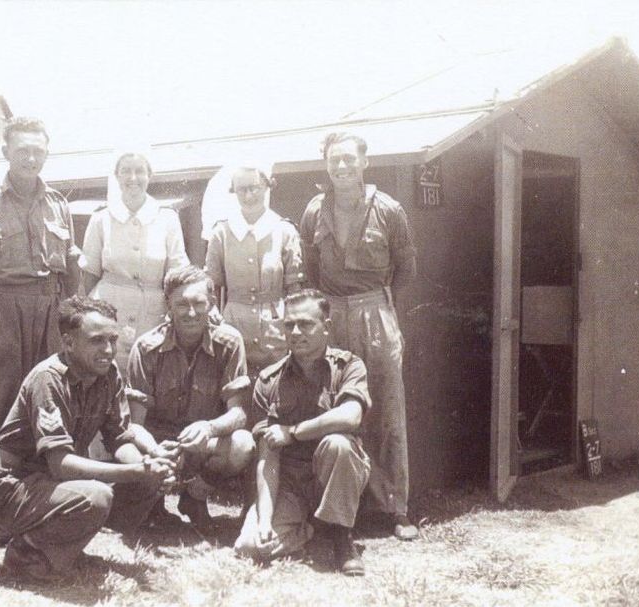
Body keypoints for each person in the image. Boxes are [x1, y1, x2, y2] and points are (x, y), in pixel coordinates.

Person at [0, 296, 177, 581]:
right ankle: (25, 551)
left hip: (52, 485)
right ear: (69, 342)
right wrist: (135, 471)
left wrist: (148, 469)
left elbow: (121, 439)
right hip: (13, 488)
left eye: (112, 339)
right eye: (96, 340)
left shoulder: (108, 373)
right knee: (96, 496)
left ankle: (61, 550)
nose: (108, 350)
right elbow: (61, 464)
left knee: (142, 482)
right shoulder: (48, 379)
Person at [0, 116, 80, 536]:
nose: (30, 158)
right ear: (6, 152)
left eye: (38, 150)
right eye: (22, 150)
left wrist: (71, 323)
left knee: (50, 407)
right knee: (3, 411)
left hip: (51, 310)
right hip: (4, 313)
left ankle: (45, 506)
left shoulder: (58, 204)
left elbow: (71, 268)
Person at [298, 132, 418, 541]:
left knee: (385, 410)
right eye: (335, 160)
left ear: (365, 162)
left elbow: (406, 269)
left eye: (349, 159)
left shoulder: (388, 209)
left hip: (374, 313)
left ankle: (395, 508)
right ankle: (340, 507)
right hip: (331, 313)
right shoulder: (315, 210)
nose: (342, 167)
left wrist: (383, 312)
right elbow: (311, 269)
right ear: (326, 164)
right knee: (333, 404)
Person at [234, 289, 371, 576]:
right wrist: (264, 520)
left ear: (326, 327)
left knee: (338, 444)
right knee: (250, 546)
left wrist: (293, 432)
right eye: (289, 325)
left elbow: (351, 415)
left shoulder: (348, 366)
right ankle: (313, 527)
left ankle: (342, 538)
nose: (295, 332)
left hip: (333, 474)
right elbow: (267, 457)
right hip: (290, 484)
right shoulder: (268, 380)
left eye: (306, 324)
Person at [127, 265, 255, 528]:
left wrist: (209, 428)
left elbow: (239, 413)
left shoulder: (229, 343)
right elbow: (134, 424)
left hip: (203, 442)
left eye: (198, 303)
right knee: (130, 448)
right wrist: (155, 450)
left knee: (242, 445)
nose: (191, 312)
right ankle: (153, 504)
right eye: (181, 304)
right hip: (159, 444)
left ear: (212, 304)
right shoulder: (145, 348)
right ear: (168, 306)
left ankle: (194, 498)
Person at [79, 152, 190, 371]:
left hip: (153, 314)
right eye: (126, 171)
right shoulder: (101, 218)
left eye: (139, 171)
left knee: (149, 370)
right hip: (109, 310)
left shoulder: (167, 218)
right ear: (116, 176)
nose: (133, 178)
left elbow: (178, 273)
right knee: (106, 369)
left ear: (149, 175)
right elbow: (90, 274)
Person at [203, 164, 304, 377]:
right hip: (233, 325)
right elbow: (210, 285)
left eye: (254, 188)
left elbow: (295, 288)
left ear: (267, 186)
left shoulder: (284, 230)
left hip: (275, 327)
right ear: (234, 191)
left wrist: (293, 325)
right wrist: (213, 314)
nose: (249, 195)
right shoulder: (221, 232)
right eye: (242, 189)